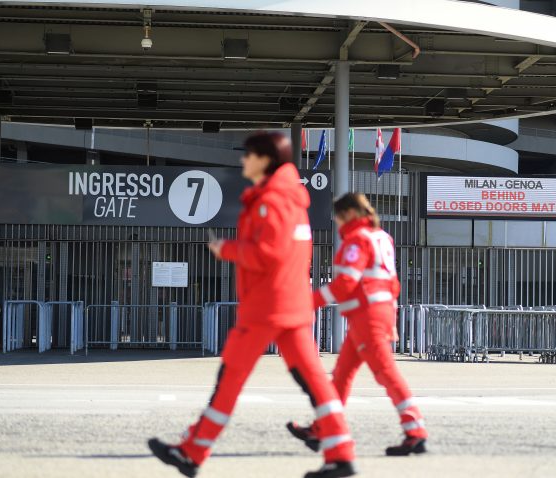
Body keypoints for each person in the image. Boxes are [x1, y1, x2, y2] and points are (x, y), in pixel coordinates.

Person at [148, 132, 356, 478]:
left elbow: (268, 253)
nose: (244, 161)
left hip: (265, 306)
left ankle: (192, 451)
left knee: (228, 379)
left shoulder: (270, 200)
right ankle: (341, 452)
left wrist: (227, 250)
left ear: (265, 160)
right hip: (290, 305)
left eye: (249, 155)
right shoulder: (291, 198)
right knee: (316, 382)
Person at [286, 193, 428, 456]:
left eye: (338, 217)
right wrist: (392, 320)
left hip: (367, 316)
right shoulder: (383, 238)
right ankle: (322, 429)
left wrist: (308, 303)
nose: (337, 223)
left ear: (349, 213)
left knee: (385, 373)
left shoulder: (357, 240)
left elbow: (345, 284)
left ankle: (415, 430)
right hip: (375, 314)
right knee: (341, 376)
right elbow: (393, 284)